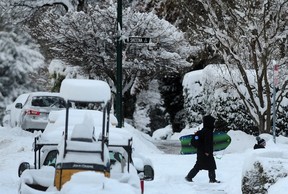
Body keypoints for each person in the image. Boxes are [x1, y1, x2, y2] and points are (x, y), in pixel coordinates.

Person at [185, 115, 220, 183]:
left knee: (202, 165)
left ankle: (189, 177)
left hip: (200, 152)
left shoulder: (202, 131)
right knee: (210, 166)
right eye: (213, 122)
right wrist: (207, 151)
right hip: (206, 152)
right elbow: (208, 142)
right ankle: (189, 177)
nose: (213, 124)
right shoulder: (208, 132)